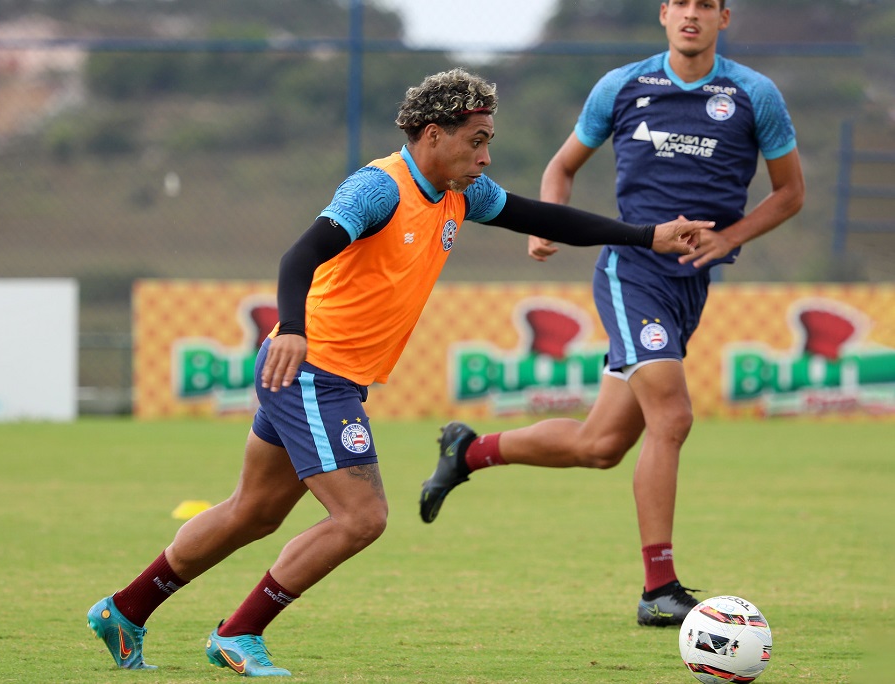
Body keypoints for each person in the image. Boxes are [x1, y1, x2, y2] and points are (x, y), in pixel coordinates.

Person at [87, 68, 708, 676]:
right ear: (433, 135)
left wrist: (646, 236)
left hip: (329, 377)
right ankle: (239, 633)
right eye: (477, 140)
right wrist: (297, 330)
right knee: (362, 517)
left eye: (489, 140)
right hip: (312, 370)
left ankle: (125, 610)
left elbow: (542, 217)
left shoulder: (459, 193)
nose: (486, 156)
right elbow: (299, 254)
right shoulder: (379, 188)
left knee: (253, 511)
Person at [418, 1, 805, 628]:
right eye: (681, 3)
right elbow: (563, 165)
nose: (692, 15)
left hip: (690, 288)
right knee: (672, 416)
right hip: (633, 272)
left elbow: (790, 193)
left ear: (723, 19)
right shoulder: (622, 86)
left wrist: (730, 239)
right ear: (663, 14)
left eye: (706, 6)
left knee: (601, 445)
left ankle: (469, 451)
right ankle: (659, 589)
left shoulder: (755, 94)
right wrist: (546, 222)